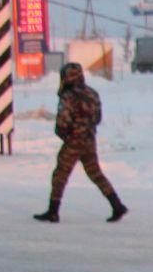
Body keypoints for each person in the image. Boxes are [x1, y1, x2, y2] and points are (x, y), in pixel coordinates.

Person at [34, 62, 127, 223]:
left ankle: (53, 211)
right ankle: (116, 204)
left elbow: (63, 121)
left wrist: (64, 134)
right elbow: (98, 118)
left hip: (73, 141)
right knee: (96, 174)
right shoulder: (92, 93)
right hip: (89, 140)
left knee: (60, 175)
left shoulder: (68, 96)